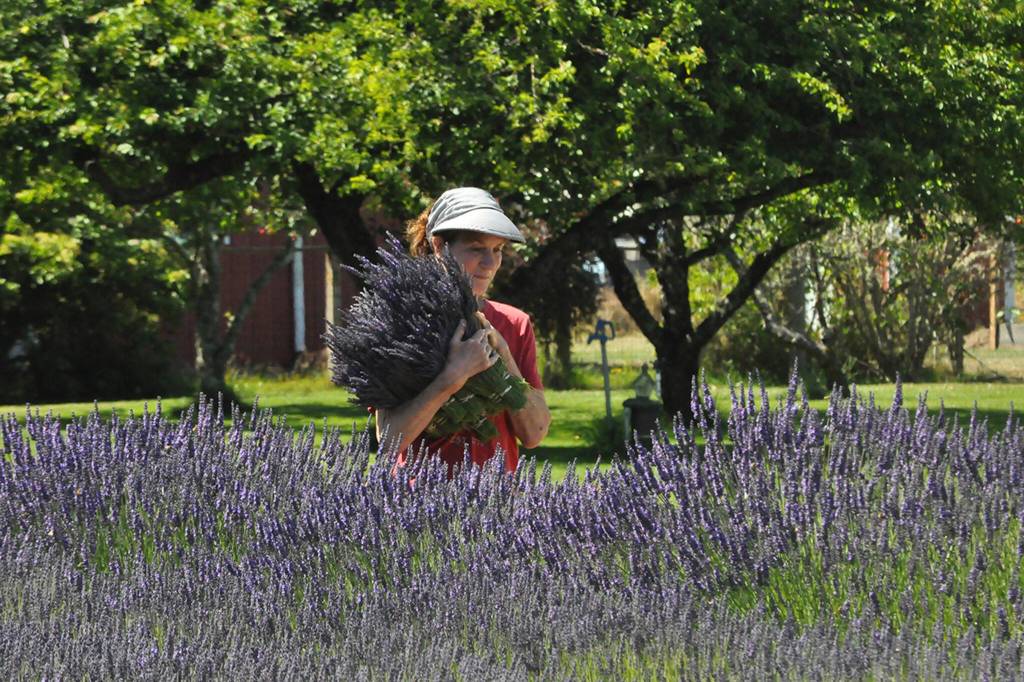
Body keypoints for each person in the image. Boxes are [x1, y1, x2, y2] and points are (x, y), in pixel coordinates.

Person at [374, 187, 551, 475]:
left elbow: (535, 433)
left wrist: (504, 355)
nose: (490, 263)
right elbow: (389, 441)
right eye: (477, 249)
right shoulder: (399, 325)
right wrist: (452, 377)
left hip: (498, 507)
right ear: (439, 245)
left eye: (498, 250)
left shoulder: (515, 324)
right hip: (420, 509)